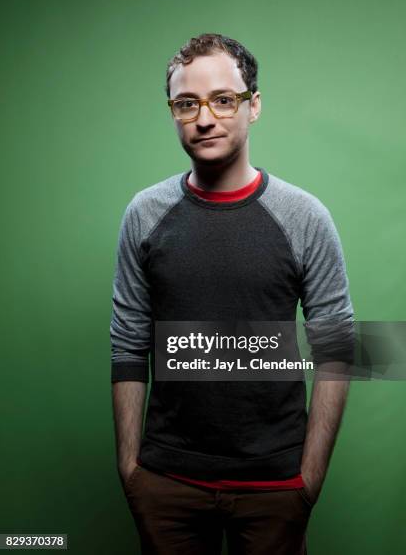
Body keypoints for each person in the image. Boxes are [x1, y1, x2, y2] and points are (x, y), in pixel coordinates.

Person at [110, 33, 355, 555]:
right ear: (173, 111)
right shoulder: (144, 215)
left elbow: (338, 348)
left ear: (254, 105)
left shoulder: (304, 217)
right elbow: (128, 342)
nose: (204, 118)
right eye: (186, 103)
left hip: (276, 485)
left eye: (223, 99)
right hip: (166, 483)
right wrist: (131, 472)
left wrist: (307, 481)